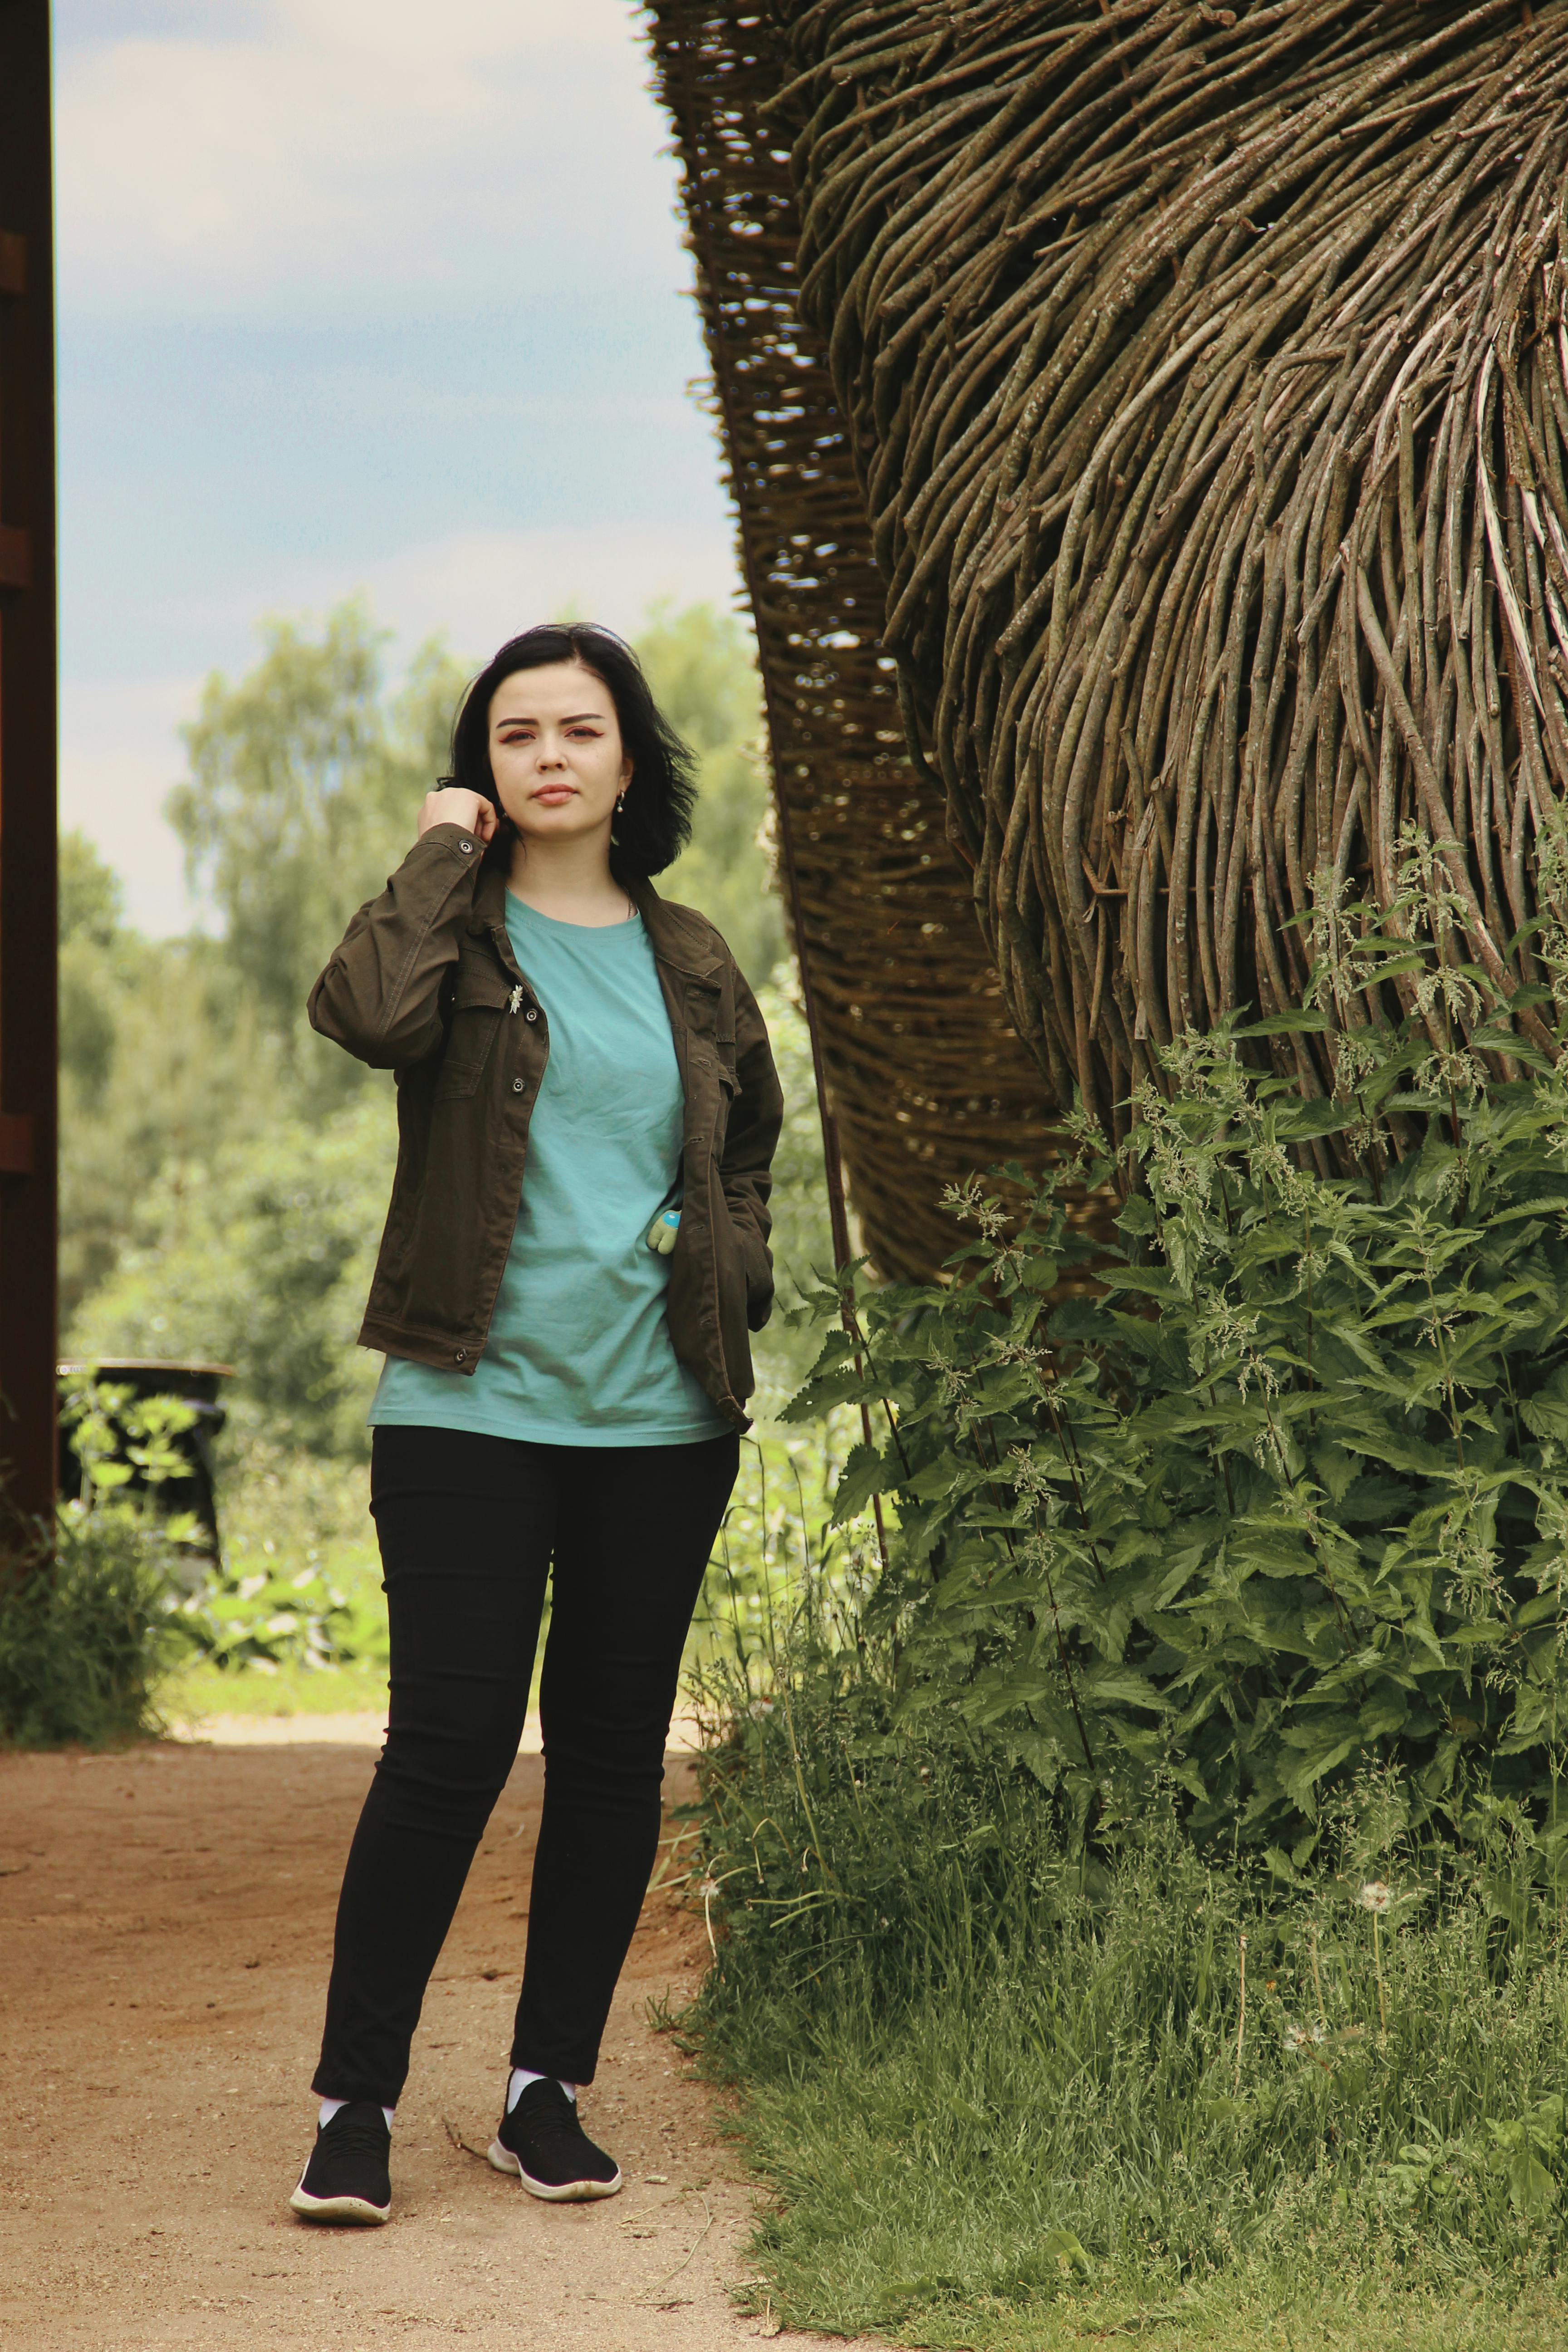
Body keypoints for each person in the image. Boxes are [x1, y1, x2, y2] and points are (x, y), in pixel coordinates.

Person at [287, 622, 782, 2225]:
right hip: (465, 1403)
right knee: (446, 1750)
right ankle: (354, 2106)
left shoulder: (696, 958)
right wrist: (442, 849)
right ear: (483, 767)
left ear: (633, 759)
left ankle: (542, 2094)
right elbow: (361, 1014)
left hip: (660, 1419)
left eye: (582, 728)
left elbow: (751, 1142)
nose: (551, 753)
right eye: (516, 735)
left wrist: (731, 1263)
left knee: (613, 1761)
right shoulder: (453, 937)